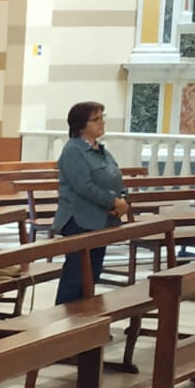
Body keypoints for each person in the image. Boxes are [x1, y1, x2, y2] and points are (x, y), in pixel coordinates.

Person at [54, 101, 127, 304]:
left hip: (100, 221)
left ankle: (86, 323)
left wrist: (123, 200)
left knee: (92, 275)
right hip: (79, 221)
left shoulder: (101, 151)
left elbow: (116, 178)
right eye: (96, 119)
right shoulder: (73, 151)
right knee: (76, 277)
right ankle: (63, 326)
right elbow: (84, 186)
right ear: (81, 125)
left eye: (102, 117)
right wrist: (113, 202)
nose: (101, 122)